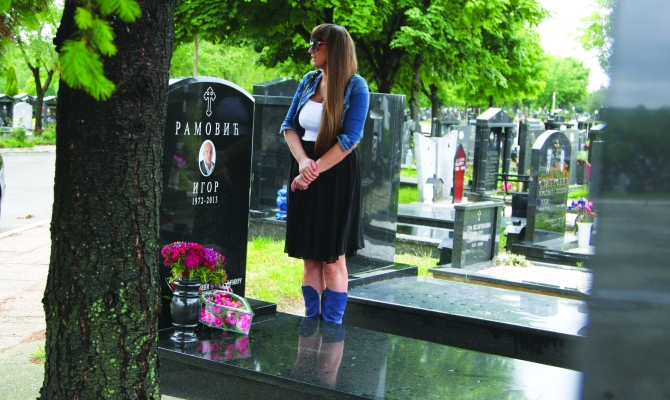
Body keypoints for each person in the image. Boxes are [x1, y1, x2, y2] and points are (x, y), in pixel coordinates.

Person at [280, 23, 369, 324]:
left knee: (332, 260)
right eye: (311, 42)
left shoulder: (356, 86)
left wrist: (310, 171)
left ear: (335, 48)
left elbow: (350, 139)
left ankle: (331, 332)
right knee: (310, 258)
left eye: (317, 43)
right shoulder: (309, 80)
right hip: (304, 169)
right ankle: (310, 326)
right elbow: (289, 126)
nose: (311, 49)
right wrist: (303, 162)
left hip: (335, 176)